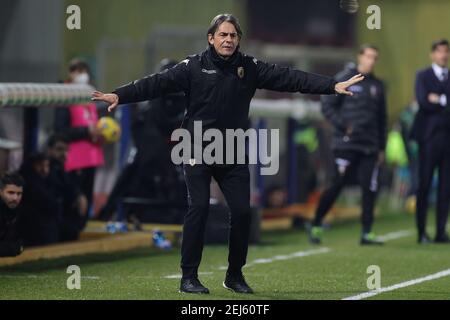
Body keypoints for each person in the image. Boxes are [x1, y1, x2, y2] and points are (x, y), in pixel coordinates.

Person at [92, 13, 363, 294]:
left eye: (233, 35)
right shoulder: (192, 67)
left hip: (231, 149)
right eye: (223, 35)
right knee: (198, 208)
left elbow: (290, 78)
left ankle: (234, 275)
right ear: (211, 38)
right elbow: (155, 83)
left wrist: (331, 86)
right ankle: (189, 277)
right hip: (196, 147)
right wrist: (119, 95)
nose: (228, 40)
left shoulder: (250, 67)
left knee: (243, 213)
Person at [309, 44, 387, 246]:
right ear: (360, 57)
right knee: (336, 185)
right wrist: (344, 126)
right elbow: (327, 106)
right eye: (369, 56)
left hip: (369, 146)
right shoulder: (344, 78)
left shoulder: (377, 85)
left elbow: (382, 119)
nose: (371, 61)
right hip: (346, 144)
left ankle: (367, 232)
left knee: (369, 188)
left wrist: (381, 148)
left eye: (375, 57)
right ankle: (316, 223)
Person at [98, 58, 187, 222]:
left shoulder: (183, 94)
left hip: (165, 141)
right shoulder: (155, 97)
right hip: (149, 139)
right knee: (136, 169)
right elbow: (158, 122)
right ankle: (112, 212)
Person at [54, 58, 105, 230]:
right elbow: (60, 130)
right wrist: (86, 131)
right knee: (75, 202)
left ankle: (77, 233)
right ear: (70, 73)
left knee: (85, 203)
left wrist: (101, 134)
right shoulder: (65, 96)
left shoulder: (88, 96)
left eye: (84, 70)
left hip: (90, 158)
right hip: (73, 160)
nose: (82, 75)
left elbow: (91, 125)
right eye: (77, 71)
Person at [410, 39, 450, 244]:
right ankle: (421, 232)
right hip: (428, 139)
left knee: (445, 189)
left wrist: (439, 99)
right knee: (424, 186)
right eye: (440, 51)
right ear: (432, 54)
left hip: (447, 140)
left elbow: (432, 101)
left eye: (446, 51)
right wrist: (443, 100)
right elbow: (423, 101)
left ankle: (441, 232)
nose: (443, 55)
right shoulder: (422, 75)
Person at [46, 133, 88, 242]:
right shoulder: (45, 170)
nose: (64, 154)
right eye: (59, 149)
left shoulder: (63, 170)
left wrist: (79, 195)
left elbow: (70, 189)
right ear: (49, 150)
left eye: (66, 150)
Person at [19, 153, 60, 247]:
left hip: (46, 231)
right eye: (40, 165)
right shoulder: (27, 183)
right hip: (32, 232)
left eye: (46, 165)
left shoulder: (49, 182)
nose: (44, 170)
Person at [0, 173, 24, 257]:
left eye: (19, 193)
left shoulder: (18, 210)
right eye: (11, 192)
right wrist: (12, 249)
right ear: (0, 191)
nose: (15, 198)